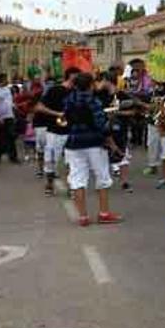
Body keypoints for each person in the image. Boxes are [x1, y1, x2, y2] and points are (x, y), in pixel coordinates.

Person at [62, 72, 123, 227]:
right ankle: (103, 213)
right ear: (90, 85)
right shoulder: (93, 101)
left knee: (77, 178)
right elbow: (101, 125)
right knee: (102, 177)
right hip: (94, 143)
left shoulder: (69, 100)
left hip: (74, 143)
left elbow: (66, 119)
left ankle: (83, 216)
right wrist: (112, 143)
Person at [36, 67, 80, 196]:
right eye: (75, 76)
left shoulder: (77, 92)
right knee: (51, 160)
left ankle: (71, 187)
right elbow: (39, 107)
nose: (77, 79)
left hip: (72, 131)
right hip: (54, 131)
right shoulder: (55, 90)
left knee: (71, 161)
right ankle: (49, 185)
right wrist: (58, 114)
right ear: (70, 75)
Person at [95, 73, 135, 193]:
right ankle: (102, 182)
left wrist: (117, 113)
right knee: (101, 155)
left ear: (107, 80)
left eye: (102, 81)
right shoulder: (100, 94)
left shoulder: (122, 95)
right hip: (103, 128)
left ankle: (124, 182)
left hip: (120, 128)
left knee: (123, 155)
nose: (100, 83)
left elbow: (132, 112)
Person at [0, 73, 19, 164]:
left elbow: (9, 101)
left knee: (11, 136)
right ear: (1, 80)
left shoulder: (7, 89)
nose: (7, 81)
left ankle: (13, 157)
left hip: (9, 116)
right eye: (5, 79)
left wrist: (14, 108)